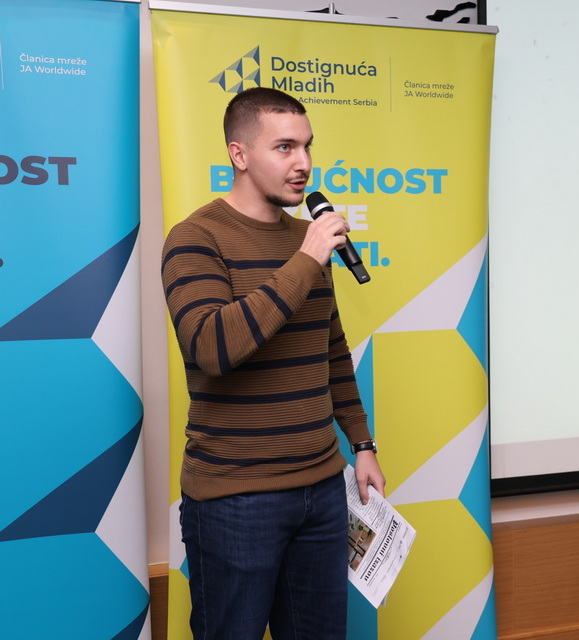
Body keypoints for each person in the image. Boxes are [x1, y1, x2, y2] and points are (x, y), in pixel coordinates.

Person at [161, 86, 385, 640]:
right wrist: (306, 259)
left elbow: (331, 350)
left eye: (307, 146)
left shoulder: (308, 240)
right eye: (285, 147)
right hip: (236, 498)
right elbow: (212, 348)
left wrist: (361, 444)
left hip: (323, 490)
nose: (303, 163)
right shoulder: (195, 238)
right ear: (238, 154)